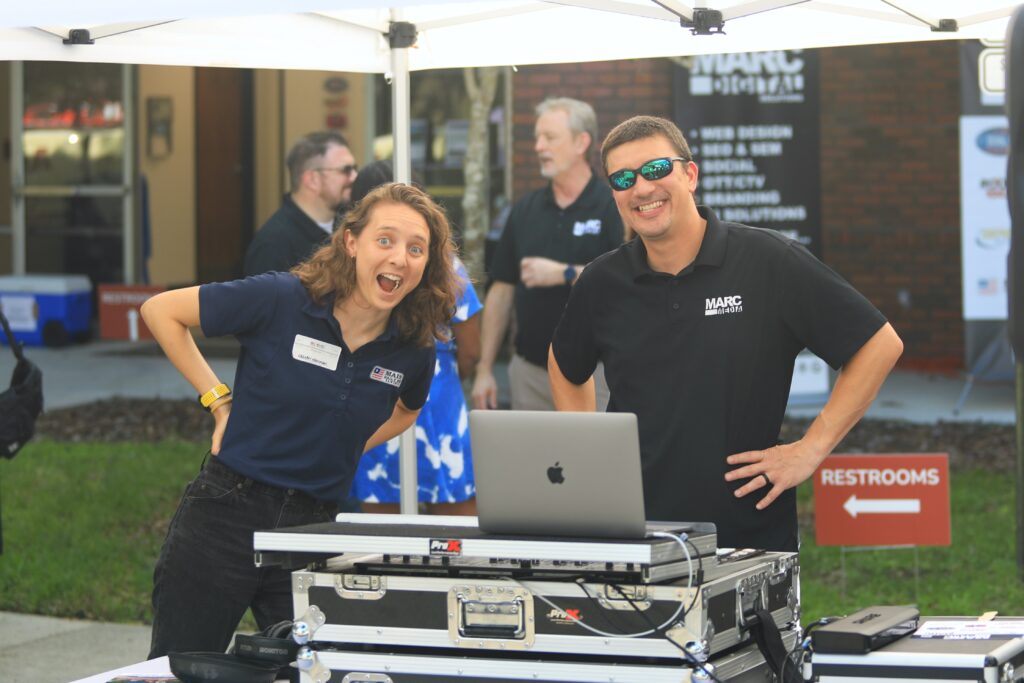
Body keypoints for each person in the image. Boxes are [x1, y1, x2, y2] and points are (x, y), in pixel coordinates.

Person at [548, 116, 904, 551]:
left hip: (747, 540)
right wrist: (590, 452)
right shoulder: (603, 282)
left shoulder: (767, 260)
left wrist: (811, 449)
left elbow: (878, 343)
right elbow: (566, 364)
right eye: (624, 179)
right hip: (636, 535)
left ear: (690, 174)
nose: (641, 188)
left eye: (656, 169)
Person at [142, 182, 458, 657]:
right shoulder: (282, 297)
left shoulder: (414, 349)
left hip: (313, 530)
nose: (399, 258)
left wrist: (346, 445)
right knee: (182, 667)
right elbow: (161, 311)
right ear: (351, 242)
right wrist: (218, 400)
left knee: (319, 668)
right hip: (226, 515)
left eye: (417, 249)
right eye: (385, 240)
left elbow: (406, 412)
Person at [348, 161, 483, 514]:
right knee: (444, 542)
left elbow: (471, 351)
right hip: (398, 406)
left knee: (446, 538)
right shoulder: (446, 264)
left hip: (419, 403)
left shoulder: (444, 267)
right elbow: (470, 350)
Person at [472, 97, 623, 411]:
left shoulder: (612, 205)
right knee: (534, 462)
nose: (539, 146)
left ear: (581, 142)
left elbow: (624, 282)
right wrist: (485, 368)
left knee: (594, 460)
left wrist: (563, 273)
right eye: (537, 137)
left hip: (595, 373)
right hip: (530, 374)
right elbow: (501, 291)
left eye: (550, 138)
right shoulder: (525, 210)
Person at [243, 131, 358, 276]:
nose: (355, 177)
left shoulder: (348, 227)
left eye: (355, 169)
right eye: (346, 170)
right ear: (312, 180)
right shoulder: (273, 245)